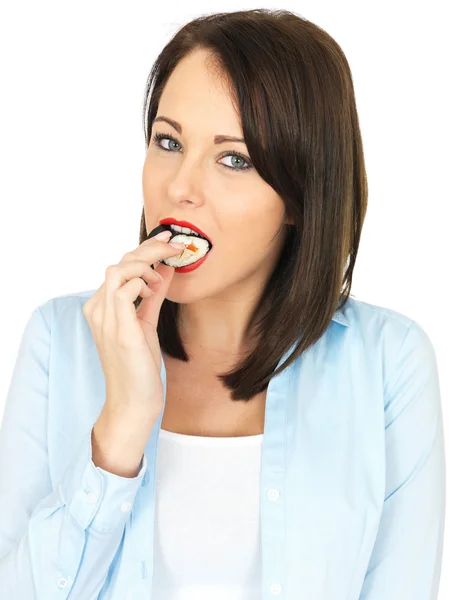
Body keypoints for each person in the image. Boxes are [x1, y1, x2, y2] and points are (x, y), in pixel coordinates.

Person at [0, 8, 445, 600]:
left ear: (299, 193)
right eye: (168, 141)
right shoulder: (60, 340)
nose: (180, 186)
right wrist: (122, 429)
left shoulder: (389, 362)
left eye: (233, 158)